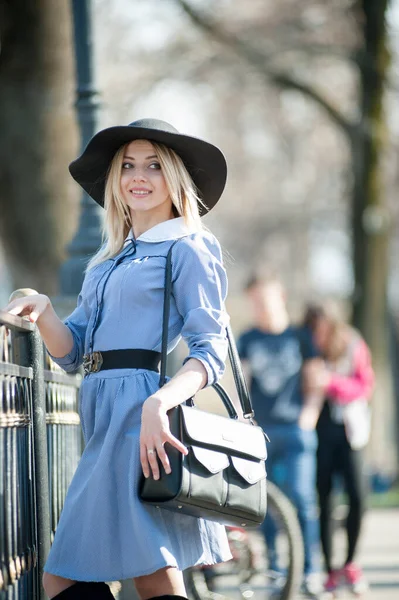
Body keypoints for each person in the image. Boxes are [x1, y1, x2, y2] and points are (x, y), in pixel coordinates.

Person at [2, 118, 233, 600]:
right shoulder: (107, 261)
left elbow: (210, 352)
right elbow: (72, 355)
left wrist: (160, 404)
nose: (138, 176)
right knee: (143, 573)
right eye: (128, 165)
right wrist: (44, 310)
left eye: (154, 165)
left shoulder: (187, 247)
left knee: (75, 574)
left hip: (146, 419)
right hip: (103, 415)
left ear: (174, 178)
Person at [237, 274, 322, 599]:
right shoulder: (248, 339)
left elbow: (316, 381)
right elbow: (242, 383)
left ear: (280, 296)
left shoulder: (301, 337)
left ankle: (311, 570)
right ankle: (276, 571)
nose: (261, 307)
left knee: (302, 500)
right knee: (266, 504)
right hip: (262, 434)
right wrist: (245, 422)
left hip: (295, 432)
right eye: (255, 301)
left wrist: (306, 420)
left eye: (265, 299)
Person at [303, 302, 374, 595]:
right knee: (325, 499)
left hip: (349, 429)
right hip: (320, 429)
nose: (318, 335)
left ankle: (350, 563)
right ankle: (330, 569)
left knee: (358, 496)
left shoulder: (352, 343)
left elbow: (365, 385)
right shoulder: (306, 347)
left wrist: (332, 384)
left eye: (322, 329)